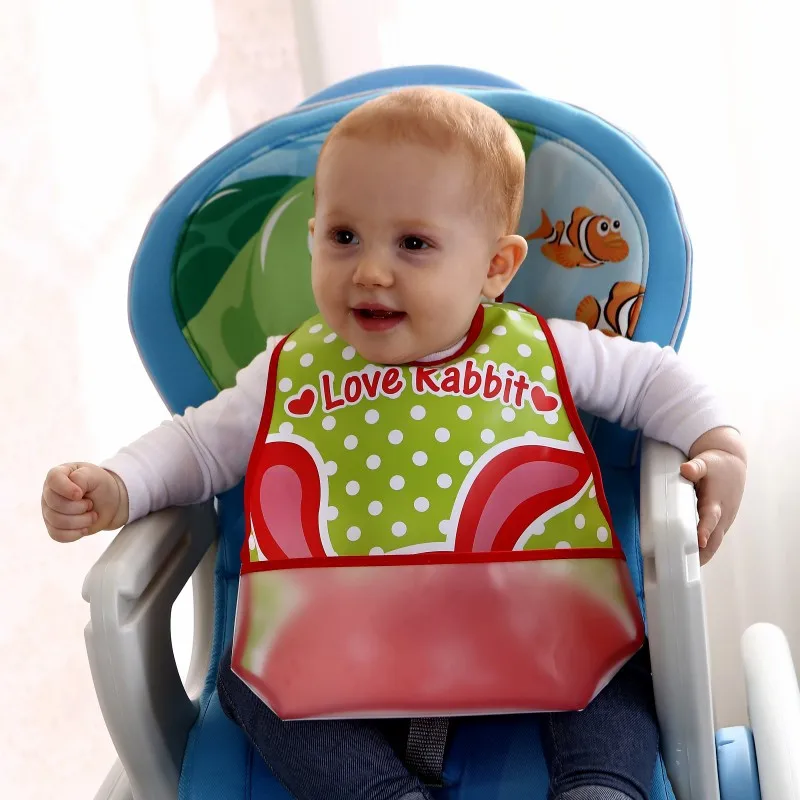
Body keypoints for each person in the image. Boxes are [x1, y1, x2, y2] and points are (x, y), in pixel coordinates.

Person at [41, 88, 746, 800]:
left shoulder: (544, 348)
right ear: (312, 237)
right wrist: (119, 484)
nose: (371, 271)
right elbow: (198, 448)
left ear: (496, 267)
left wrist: (718, 444)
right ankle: (381, 791)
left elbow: (653, 379)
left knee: (617, 666)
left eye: (413, 244)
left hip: (535, 621)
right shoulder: (288, 368)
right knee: (248, 684)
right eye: (344, 237)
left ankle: (598, 787)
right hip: (343, 644)